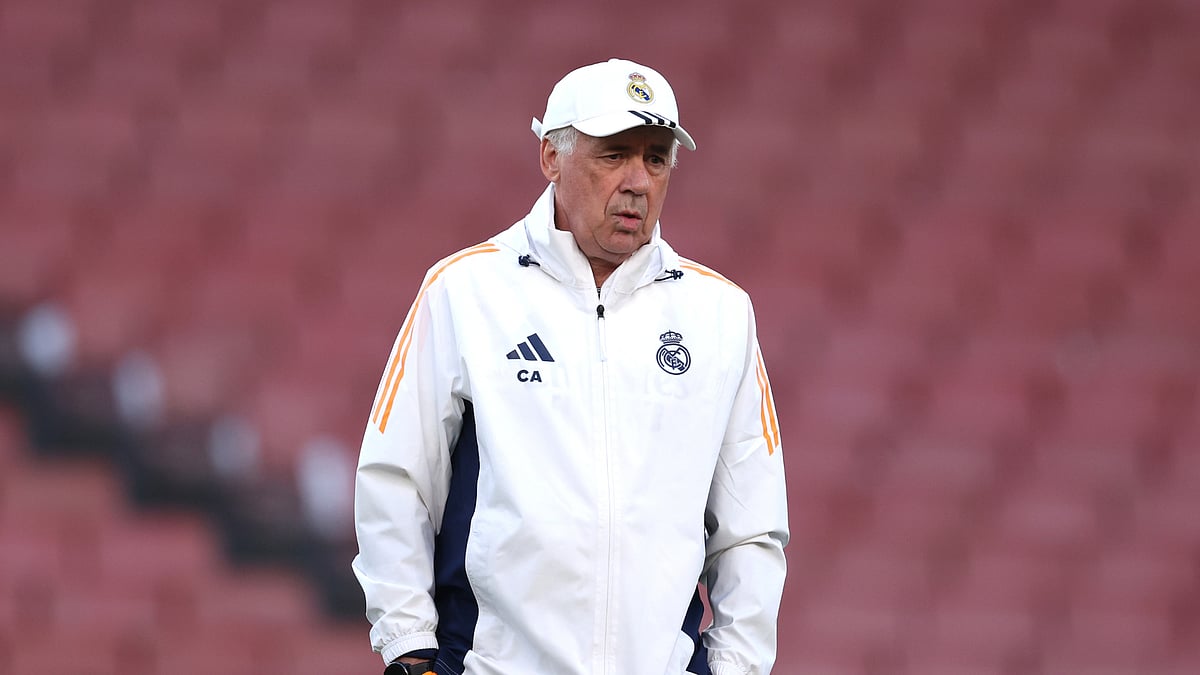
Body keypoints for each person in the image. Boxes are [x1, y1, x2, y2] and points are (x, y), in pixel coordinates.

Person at [353, 58, 789, 675]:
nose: (637, 182)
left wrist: (738, 667)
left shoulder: (721, 314)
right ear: (551, 157)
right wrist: (407, 646)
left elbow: (751, 527)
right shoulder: (464, 291)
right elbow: (396, 478)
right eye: (614, 155)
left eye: (656, 159)